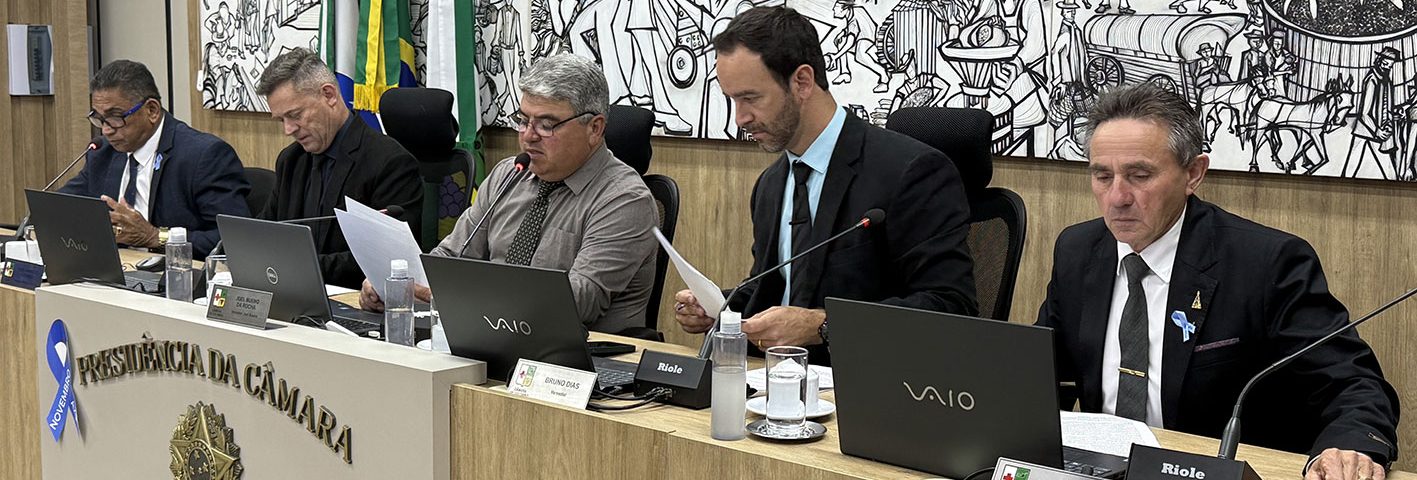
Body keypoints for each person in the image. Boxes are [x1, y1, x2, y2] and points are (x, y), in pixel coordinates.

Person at [1036, 83, 1399, 480]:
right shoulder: (1078, 251)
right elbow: (1040, 374)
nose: (1117, 197)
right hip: (1099, 469)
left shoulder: (1266, 263)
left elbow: (1352, 383)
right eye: (1103, 176)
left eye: (1139, 175)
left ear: (1193, 173)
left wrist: (1350, 446)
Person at [672, 6, 977, 366]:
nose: (740, 118)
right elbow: (777, 285)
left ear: (802, 82)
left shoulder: (912, 172)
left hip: (872, 380)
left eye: (750, 98)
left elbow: (950, 307)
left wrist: (824, 325)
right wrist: (720, 309)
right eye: (732, 100)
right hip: (775, 380)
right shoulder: (771, 185)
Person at [358, 54, 658, 334]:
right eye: (523, 120)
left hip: (576, 357)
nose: (528, 136)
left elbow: (580, 299)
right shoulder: (510, 174)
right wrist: (397, 283)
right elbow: (451, 256)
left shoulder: (624, 200)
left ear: (595, 128)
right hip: (487, 336)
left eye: (546, 125)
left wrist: (465, 296)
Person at [254, 48, 423, 289]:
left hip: (356, 301)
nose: (288, 129)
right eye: (281, 120)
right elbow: (265, 233)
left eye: (295, 115)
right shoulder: (291, 160)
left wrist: (295, 266)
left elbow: (384, 261)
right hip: (293, 292)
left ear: (329, 95)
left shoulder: (389, 162)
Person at [60, 59, 250, 260]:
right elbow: (60, 208)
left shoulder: (204, 155)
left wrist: (155, 237)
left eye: (116, 117)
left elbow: (237, 239)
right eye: (99, 118)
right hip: (115, 269)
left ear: (152, 110)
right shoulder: (102, 152)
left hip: (176, 273)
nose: (106, 130)